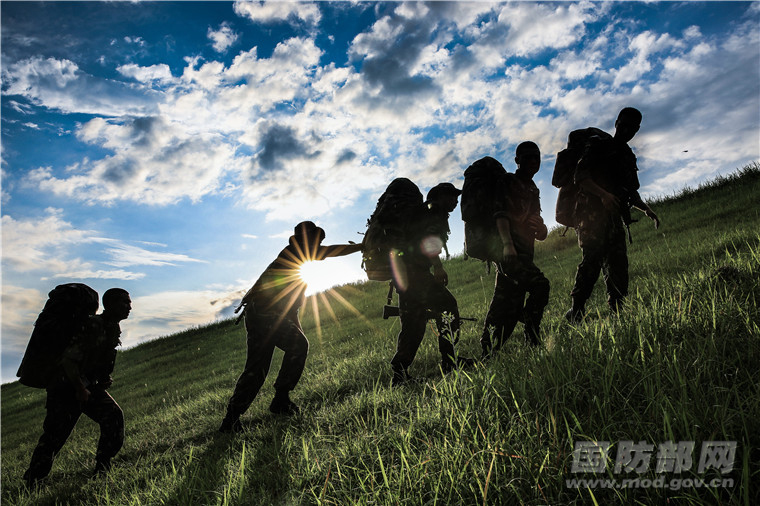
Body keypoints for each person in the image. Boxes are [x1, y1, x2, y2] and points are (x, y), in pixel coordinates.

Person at [219, 221, 362, 433]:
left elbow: (290, 308)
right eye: (316, 240)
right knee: (263, 365)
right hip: (264, 315)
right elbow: (331, 251)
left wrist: (297, 330)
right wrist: (361, 246)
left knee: (262, 365)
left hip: (262, 315)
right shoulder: (294, 253)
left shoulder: (296, 266)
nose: (319, 244)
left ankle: (240, 415)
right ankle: (272, 403)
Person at [23, 288, 131, 487]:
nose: (129, 307)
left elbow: (97, 359)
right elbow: (69, 360)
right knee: (54, 436)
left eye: (129, 302)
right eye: (124, 302)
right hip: (66, 388)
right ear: (110, 305)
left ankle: (102, 467)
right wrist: (80, 388)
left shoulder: (112, 327)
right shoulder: (93, 325)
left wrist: (101, 379)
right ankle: (33, 481)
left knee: (113, 417)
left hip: (87, 387)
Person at [566, 107, 660, 322]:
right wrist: (604, 195)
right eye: (623, 125)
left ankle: (618, 311)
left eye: (632, 128)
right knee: (592, 261)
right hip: (590, 216)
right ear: (616, 123)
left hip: (613, 218)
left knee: (618, 264)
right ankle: (576, 310)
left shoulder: (628, 155)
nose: (627, 130)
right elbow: (580, 177)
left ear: (637, 130)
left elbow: (631, 190)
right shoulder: (598, 145)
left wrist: (646, 209)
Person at [390, 182, 471, 386]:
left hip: (406, 274)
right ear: (440, 197)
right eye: (451, 196)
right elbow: (428, 240)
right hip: (416, 274)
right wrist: (438, 266)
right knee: (446, 307)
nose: (455, 201)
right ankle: (449, 361)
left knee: (414, 323)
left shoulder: (423, 213)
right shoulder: (434, 213)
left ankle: (400, 373)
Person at [480, 142, 550, 357]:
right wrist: (507, 244)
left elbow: (537, 226)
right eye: (528, 157)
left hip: (525, 254)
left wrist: (543, 230)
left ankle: (488, 351)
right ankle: (531, 332)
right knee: (540, 285)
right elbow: (500, 214)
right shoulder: (507, 181)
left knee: (506, 301)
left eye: (537, 157)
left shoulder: (533, 189)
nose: (533, 162)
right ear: (517, 160)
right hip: (508, 252)